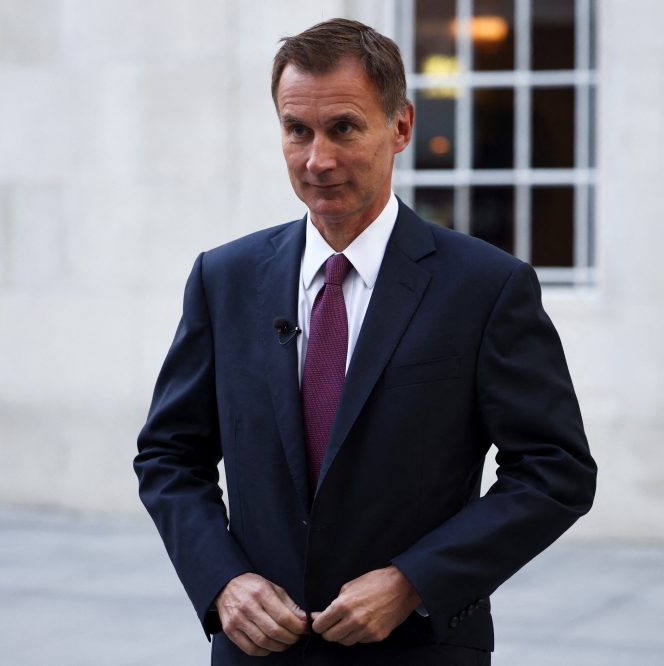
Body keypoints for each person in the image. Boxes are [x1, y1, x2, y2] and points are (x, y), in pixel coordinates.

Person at [134, 18, 596, 665]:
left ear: (401, 126)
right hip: (256, 654)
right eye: (297, 131)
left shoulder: (487, 287)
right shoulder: (223, 278)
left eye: (343, 128)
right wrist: (224, 581)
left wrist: (414, 581)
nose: (316, 159)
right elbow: (169, 456)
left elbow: (556, 472)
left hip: (416, 650)